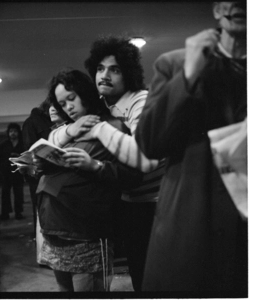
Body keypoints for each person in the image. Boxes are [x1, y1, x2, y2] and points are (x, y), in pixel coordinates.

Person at [135, 2, 247, 295]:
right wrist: (188, 74)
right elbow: (149, 143)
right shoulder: (173, 63)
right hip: (191, 225)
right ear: (217, 9)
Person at [49, 35, 164, 291]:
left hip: (155, 204)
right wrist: (71, 131)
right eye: (100, 69)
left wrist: (99, 132)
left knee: (154, 278)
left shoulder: (140, 100)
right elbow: (54, 136)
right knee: (138, 274)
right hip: (126, 202)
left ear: (129, 73)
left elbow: (144, 157)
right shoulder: (105, 104)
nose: (104, 75)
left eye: (115, 69)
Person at [35, 69, 143, 292]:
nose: (68, 108)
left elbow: (132, 175)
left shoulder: (111, 126)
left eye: (71, 99)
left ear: (85, 92)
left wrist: (94, 166)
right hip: (56, 229)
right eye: (63, 104)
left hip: (86, 233)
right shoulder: (66, 131)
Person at [22, 100, 68, 235]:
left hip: (55, 176)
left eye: (57, 106)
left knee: (50, 211)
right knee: (44, 210)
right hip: (43, 175)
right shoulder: (34, 122)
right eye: (52, 106)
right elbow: (30, 148)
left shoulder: (58, 126)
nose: (53, 110)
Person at [0, 123, 25, 220]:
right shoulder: (3, 145)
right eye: (11, 131)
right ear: (8, 133)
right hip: (6, 172)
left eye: (15, 131)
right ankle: (5, 213)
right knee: (5, 194)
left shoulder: (22, 144)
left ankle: (18, 212)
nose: (13, 133)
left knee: (19, 194)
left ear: (18, 132)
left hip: (18, 172)